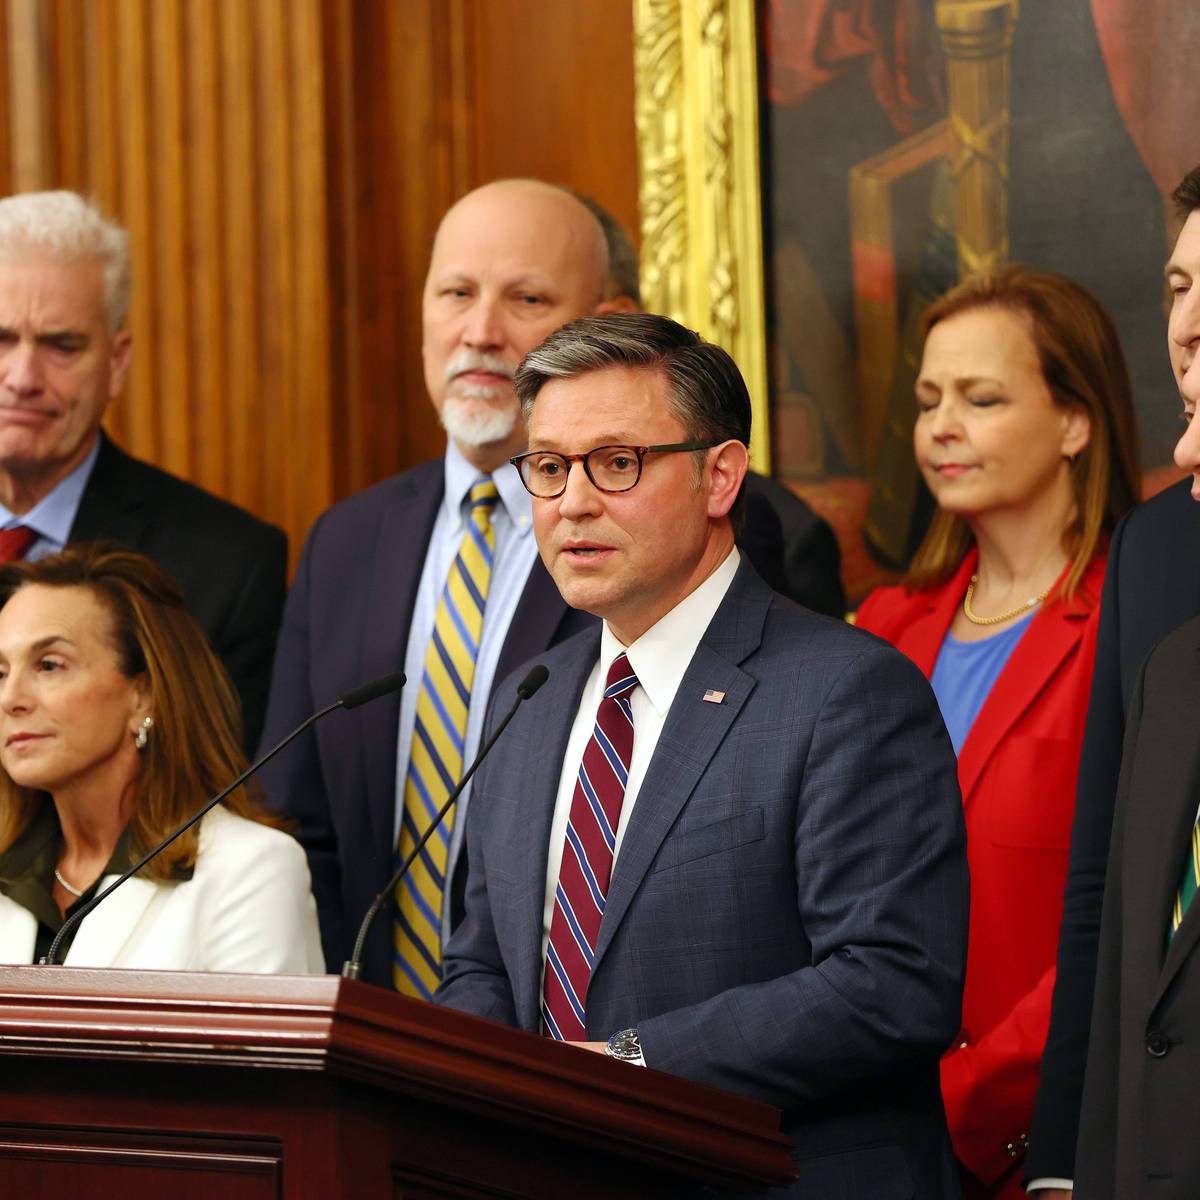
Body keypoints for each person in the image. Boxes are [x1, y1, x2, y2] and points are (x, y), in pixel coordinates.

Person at [259, 179, 846, 991]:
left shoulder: (716, 524)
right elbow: (294, 821)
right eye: (456, 293)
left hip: (644, 1036)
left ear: (610, 323)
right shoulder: (346, 540)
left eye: (526, 298)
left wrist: (628, 1052)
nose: (480, 332)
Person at [437, 312, 969, 1199]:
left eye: (617, 463)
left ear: (719, 475)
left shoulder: (846, 691)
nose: (572, 503)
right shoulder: (528, 698)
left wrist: (624, 1067)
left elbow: (891, 982)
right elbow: (484, 963)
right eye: (550, 467)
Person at [854, 268, 1140, 1199]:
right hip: (867, 1130)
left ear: (1075, 422)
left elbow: (1129, 922)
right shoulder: (884, 626)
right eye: (927, 399)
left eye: (980, 399)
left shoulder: (1134, 628)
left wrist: (970, 1098)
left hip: (1046, 1142)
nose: (941, 426)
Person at [0, 190, 286, 752]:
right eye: (2, 339)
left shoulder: (226, 569)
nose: (23, 377)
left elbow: (217, 789)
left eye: (61, 346)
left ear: (116, 361)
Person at [1056, 169, 1200, 1200]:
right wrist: (1070, 1161)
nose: (1186, 329)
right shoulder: (1156, 552)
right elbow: (1109, 886)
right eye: (1179, 289)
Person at [0, 544, 322, 973]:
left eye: (49, 665)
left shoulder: (249, 869)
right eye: (0, 672)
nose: (11, 698)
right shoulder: (11, 871)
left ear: (144, 696)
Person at [573, 190, 846, 617]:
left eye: (621, 462)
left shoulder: (774, 530)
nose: (479, 332)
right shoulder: (544, 675)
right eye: (548, 468)